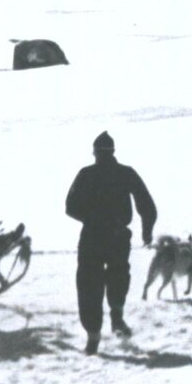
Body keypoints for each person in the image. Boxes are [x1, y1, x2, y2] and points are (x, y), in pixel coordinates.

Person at [65, 131, 157, 354]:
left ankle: (93, 337)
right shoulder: (126, 173)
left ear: (95, 152)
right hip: (118, 236)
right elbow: (147, 205)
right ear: (113, 152)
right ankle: (116, 318)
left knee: (89, 284)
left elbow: (70, 207)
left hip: (92, 237)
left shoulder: (86, 174)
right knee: (118, 277)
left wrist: (93, 218)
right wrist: (146, 232)